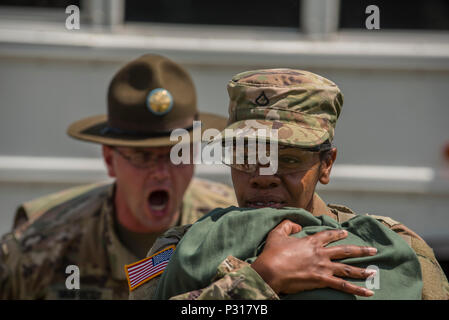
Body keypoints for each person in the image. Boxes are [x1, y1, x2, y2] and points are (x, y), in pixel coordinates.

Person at [129, 68, 449, 300]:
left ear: (326, 165)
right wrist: (260, 279)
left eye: (289, 160)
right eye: (246, 157)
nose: (264, 176)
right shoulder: (182, 247)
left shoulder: (395, 246)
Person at [0, 54, 237, 299]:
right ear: (109, 160)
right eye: (142, 156)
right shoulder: (40, 244)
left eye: (177, 154)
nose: (161, 173)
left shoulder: (233, 229)